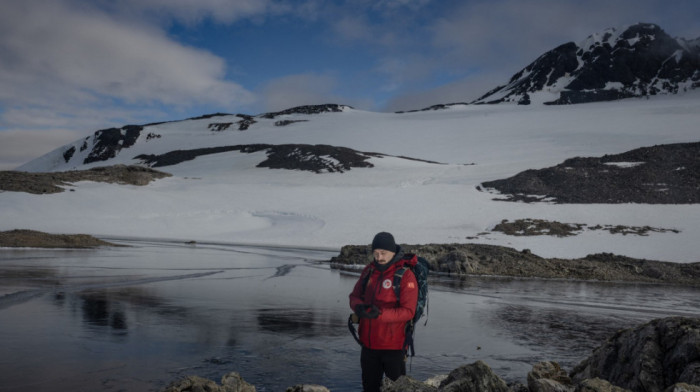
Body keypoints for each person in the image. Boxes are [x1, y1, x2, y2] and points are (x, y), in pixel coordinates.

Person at [349, 232, 418, 392]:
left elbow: (408, 312)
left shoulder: (405, 275)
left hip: (393, 348)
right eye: (376, 253)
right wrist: (358, 306)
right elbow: (354, 296)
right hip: (368, 345)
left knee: (397, 389)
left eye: (383, 253)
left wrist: (379, 314)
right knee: (369, 388)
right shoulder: (368, 271)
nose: (379, 257)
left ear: (393, 252)